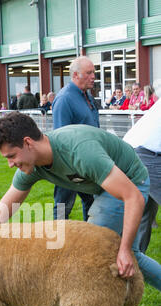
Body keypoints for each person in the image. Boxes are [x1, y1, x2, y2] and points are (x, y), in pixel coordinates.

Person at [0, 112, 161, 306]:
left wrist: (125, 249)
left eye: (11, 155)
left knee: (84, 257)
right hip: (104, 187)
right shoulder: (32, 163)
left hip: (129, 183)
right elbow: (3, 209)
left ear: (28, 143)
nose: (10, 163)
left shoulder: (79, 151)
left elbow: (133, 197)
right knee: (129, 257)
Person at [52, 56, 99, 222]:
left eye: (93, 72)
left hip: (87, 163)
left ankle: (89, 240)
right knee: (62, 206)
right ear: (75, 75)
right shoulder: (64, 99)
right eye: (89, 73)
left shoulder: (87, 96)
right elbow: (60, 137)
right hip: (69, 166)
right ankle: (56, 243)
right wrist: (69, 169)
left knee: (91, 201)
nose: (93, 76)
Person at [124, 96, 161, 253]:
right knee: (143, 214)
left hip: (135, 151)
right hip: (147, 154)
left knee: (143, 214)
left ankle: (133, 262)